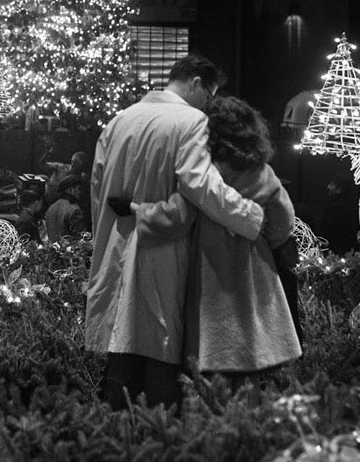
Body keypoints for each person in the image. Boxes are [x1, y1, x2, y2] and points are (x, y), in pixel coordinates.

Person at [85, 54, 265, 412]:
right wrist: (251, 217)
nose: (209, 104)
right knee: (159, 357)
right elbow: (201, 185)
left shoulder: (119, 120)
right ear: (196, 83)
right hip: (162, 251)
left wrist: (103, 239)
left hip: (115, 248)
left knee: (119, 355)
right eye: (209, 94)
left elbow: (96, 188)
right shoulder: (191, 120)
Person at [128, 96, 302, 389]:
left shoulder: (201, 172)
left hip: (207, 269)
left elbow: (176, 218)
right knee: (251, 357)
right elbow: (283, 222)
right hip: (254, 270)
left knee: (210, 364)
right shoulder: (262, 172)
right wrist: (259, 239)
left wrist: (138, 214)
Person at [313, 175, 360, 255]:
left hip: (334, 253)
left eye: (332, 185)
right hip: (347, 253)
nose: (328, 187)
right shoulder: (352, 207)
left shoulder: (336, 208)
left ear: (339, 190)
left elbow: (328, 230)